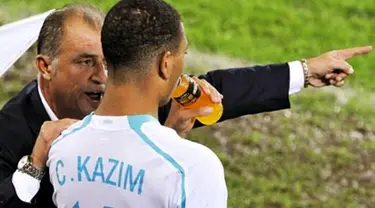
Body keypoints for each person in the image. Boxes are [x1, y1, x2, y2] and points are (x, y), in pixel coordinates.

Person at [0, 2, 372, 208]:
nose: (103, 75)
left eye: (107, 60)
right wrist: (34, 167)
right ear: (45, 67)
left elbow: (219, 91)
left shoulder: (125, 100)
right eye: (85, 62)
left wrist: (304, 71)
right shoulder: (10, 135)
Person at [48, 0, 227, 207]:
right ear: (165, 63)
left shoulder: (63, 147)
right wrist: (170, 143)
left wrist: (170, 134)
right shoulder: (193, 167)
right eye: (183, 53)